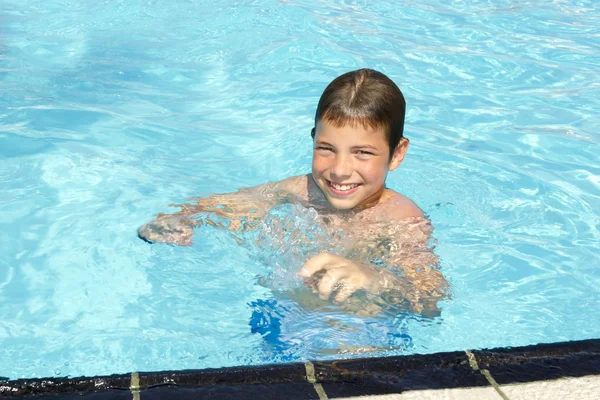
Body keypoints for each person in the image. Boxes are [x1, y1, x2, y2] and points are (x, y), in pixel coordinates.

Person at [138, 68, 448, 317]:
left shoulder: (400, 217)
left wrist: (375, 279)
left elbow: (430, 298)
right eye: (326, 149)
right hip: (279, 317)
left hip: (358, 332)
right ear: (313, 140)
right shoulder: (297, 190)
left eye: (362, 153)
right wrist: (181, 218)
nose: (340, 170)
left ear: (396, 153)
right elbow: (226, 205)